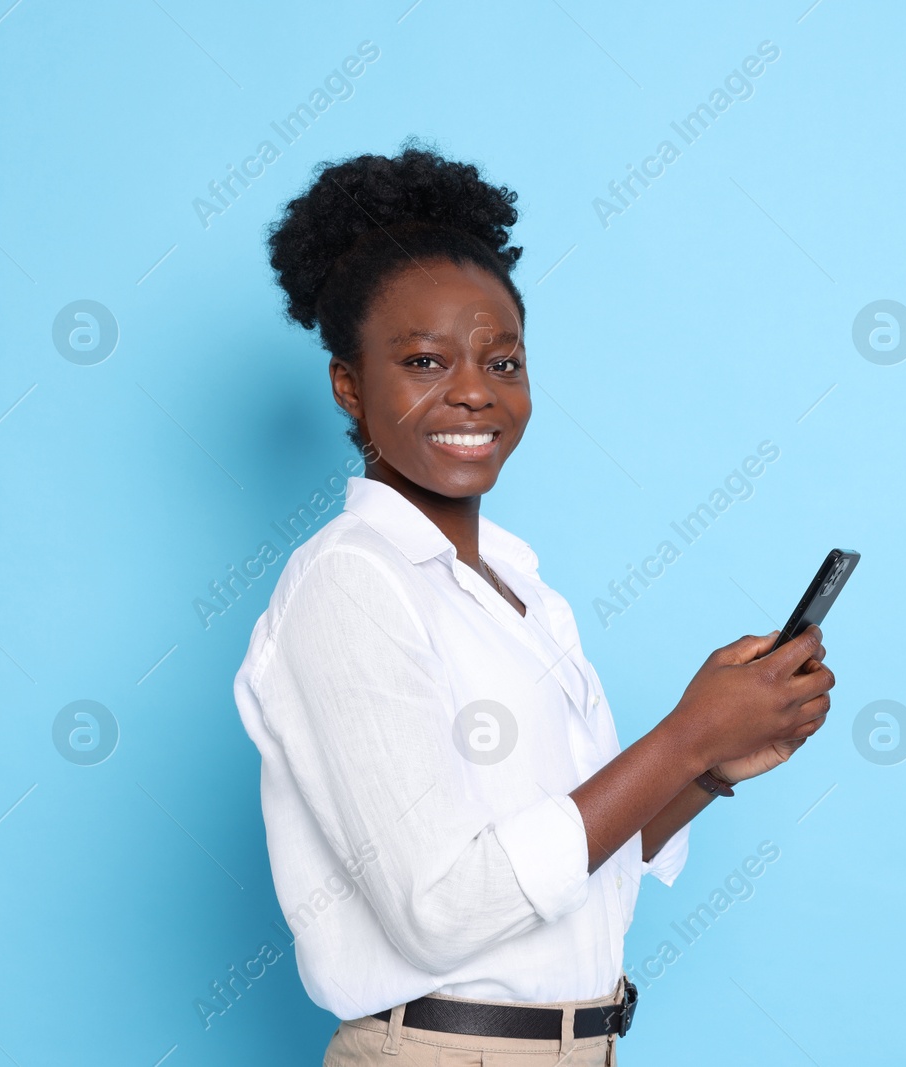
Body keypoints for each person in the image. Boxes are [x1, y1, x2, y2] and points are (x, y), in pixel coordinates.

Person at [233, 140, 835, 1067]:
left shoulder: (521, 591)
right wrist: (679, 736)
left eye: (502, 362)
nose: (472, 391)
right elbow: (443, 909)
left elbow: (565, 877)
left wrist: (710, 766)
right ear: (350, 386)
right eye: (425, 361)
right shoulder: (351, 582)